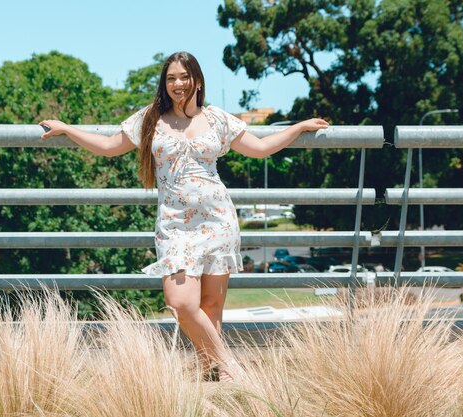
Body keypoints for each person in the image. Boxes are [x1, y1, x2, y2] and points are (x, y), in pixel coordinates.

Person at [39, 51, 328, 381]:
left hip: (218, 219)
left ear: (198, 81)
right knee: (180, 302)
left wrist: (298, 127)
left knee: (210, 307)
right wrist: (67, 128)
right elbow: (108, 146)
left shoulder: (217, 118)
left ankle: (216, 380)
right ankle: (231, 365)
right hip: (175, 224)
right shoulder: (151, 118)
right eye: (171, 78)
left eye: (184, 77)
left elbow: (260, 148)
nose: (178, 84)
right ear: (165, 83)